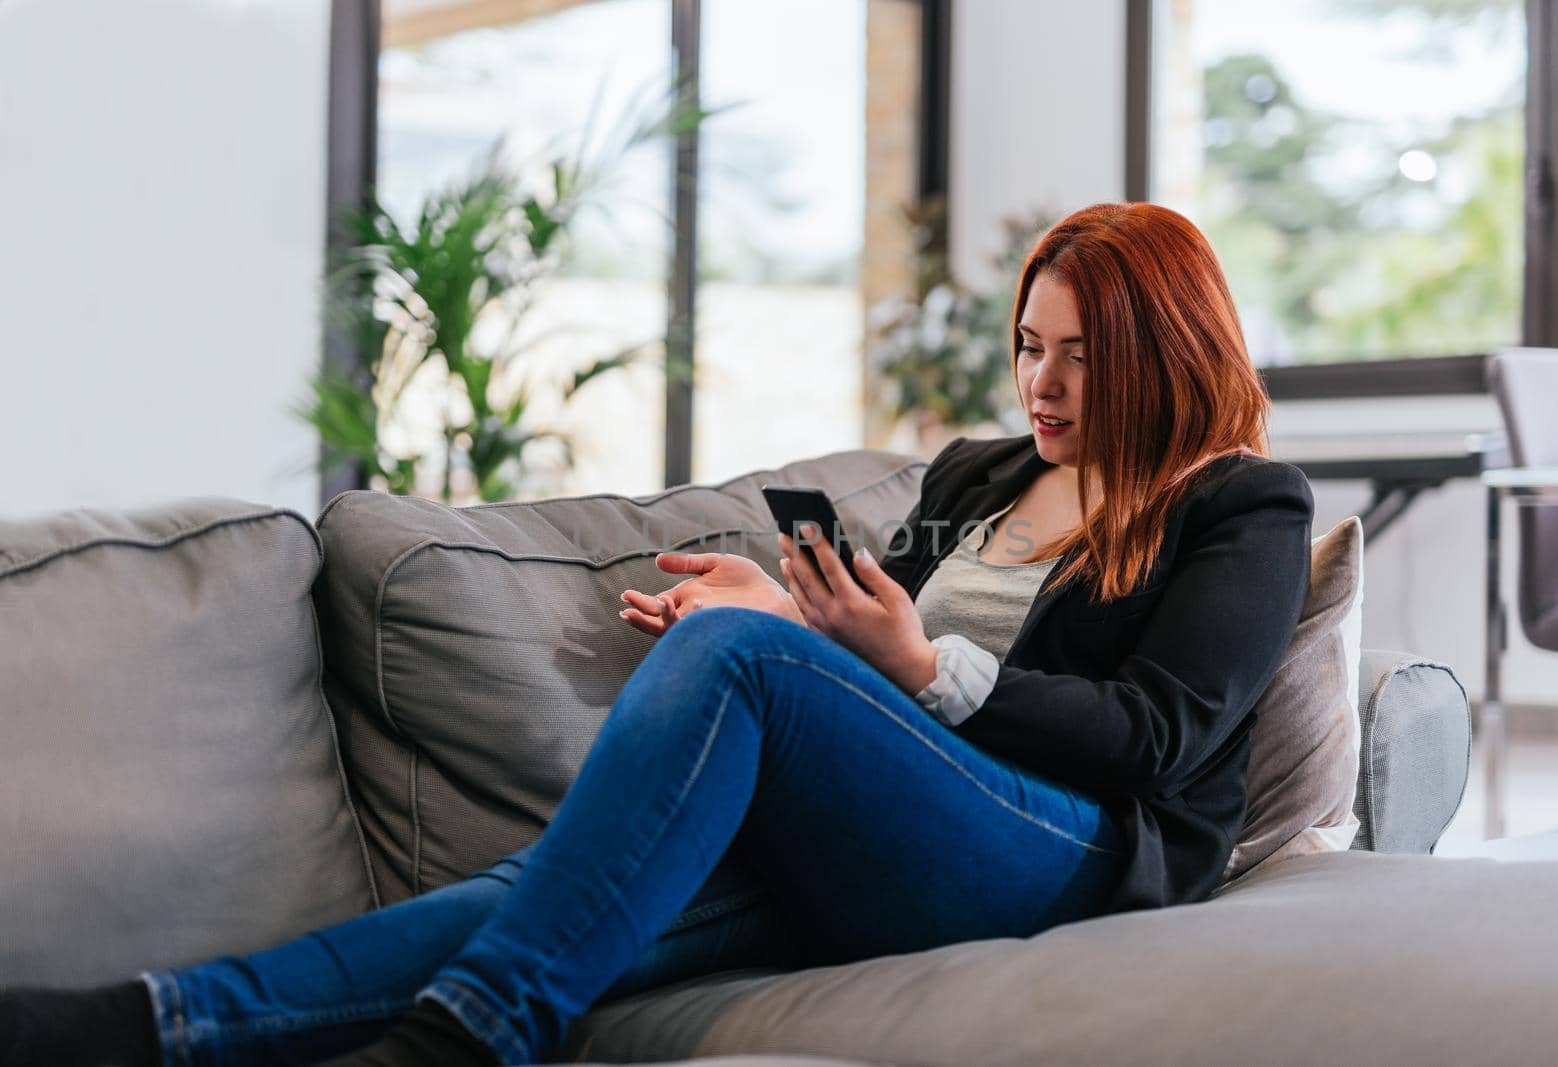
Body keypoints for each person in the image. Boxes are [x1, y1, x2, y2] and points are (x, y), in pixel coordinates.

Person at [0, 201, 1312, 1067]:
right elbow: (875, 642)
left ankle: (477, 1036)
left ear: (1160, 345)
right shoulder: (978, 473)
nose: (1042, 383)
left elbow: (1155, 739)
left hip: (1075, 848)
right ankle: (149, 1025)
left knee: (724, 687)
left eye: (1079, 353)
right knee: (557, 892)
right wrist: (798, 615)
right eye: (1030, 346)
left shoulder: (1239, 503)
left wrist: (910, 662)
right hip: (905, 831)